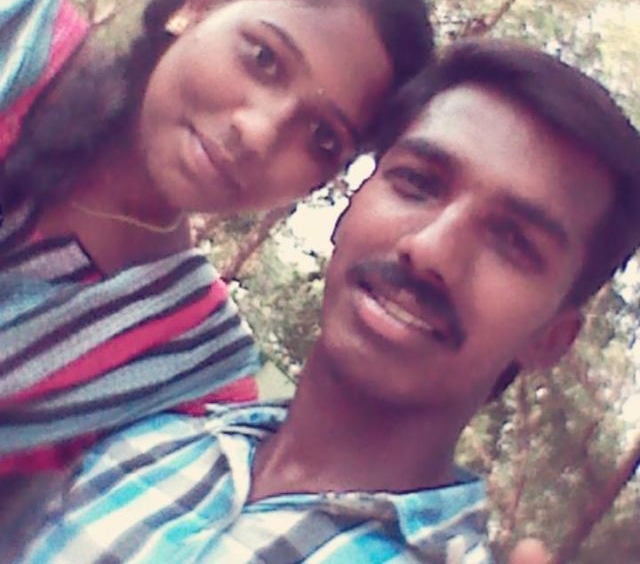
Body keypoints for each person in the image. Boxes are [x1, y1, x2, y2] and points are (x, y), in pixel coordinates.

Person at [17, 39, 640, 563]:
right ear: (350, 206)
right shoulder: (142, 443)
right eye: (417, 184)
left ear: (550, 337)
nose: (429, 249)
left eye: (512, 241)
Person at [0, 0, 433, 475]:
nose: (258, 133)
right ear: (200, 6)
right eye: (263, 58)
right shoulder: (12, 19)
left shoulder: (179, 371)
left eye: (322, 138)